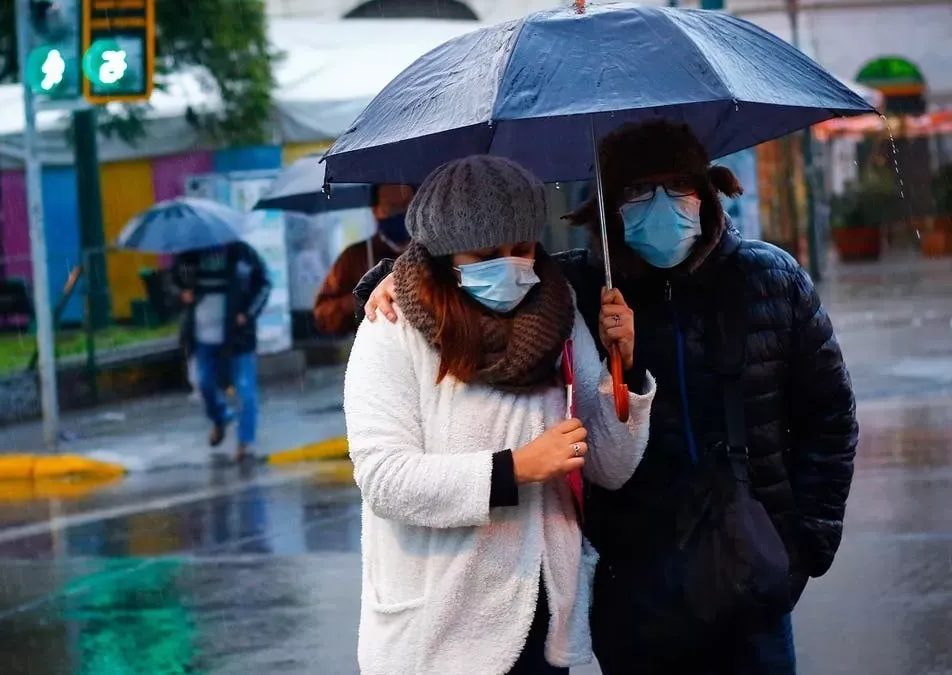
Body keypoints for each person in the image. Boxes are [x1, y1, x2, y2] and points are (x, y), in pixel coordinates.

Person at [357, 120, 859, 675]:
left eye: (678, 189)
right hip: (633, 581)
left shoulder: (769, 279)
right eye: (637, 193)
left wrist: (804, 548)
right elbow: (453, 265)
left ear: (709, 193)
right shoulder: (573, 291)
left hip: (748, 563)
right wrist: (390, 278)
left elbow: (829, 419)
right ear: (608, 207)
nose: (660, 207)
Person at [344, 155, 656, 675]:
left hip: (545, 618)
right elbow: (383, 478)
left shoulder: (559, 310)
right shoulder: (392, 326)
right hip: (441, 637)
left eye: (522, 249)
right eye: (487, 254)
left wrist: (623, 367)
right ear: (445, 253)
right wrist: (514, 469)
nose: (511, 265)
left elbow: (609, 466)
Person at [170, 240, 270, 463]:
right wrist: (181, 294)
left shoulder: (243, 253)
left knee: (244, 389)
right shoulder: (189, 255)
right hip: (202, 336)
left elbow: (263, 284)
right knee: (203, 384)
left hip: (237, 335)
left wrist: (247, 314)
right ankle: (221, 417)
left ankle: (246, 442)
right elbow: (172, 283)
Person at [313, 184, 414, 336]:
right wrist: (360, 300)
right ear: (375, 210)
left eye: (406, 207)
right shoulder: (354, 257)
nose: (401, 214)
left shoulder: (432, 253)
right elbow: (323, 315)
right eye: (392, 208)